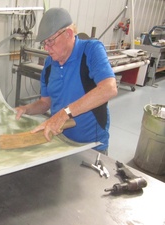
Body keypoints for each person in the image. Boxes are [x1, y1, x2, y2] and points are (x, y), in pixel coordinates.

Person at [15, 8, 118, 154]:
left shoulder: (91, 50)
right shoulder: (49, 65)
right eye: (44, 43)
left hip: (92, 146)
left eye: (50, 41)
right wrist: (25, 109)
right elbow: (45, 103)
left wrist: (64, 114)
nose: (46, 48)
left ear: (68, 34)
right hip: (59, 143)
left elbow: (109, 88)